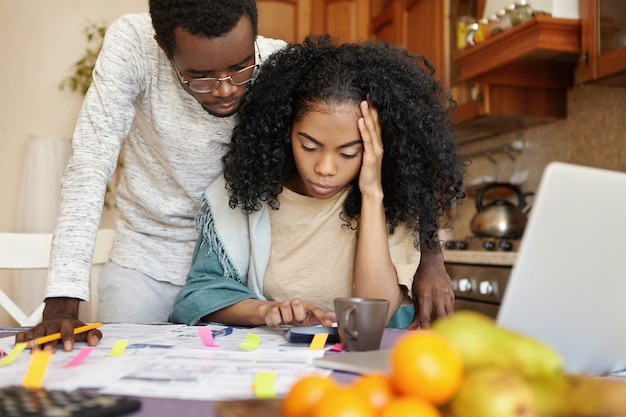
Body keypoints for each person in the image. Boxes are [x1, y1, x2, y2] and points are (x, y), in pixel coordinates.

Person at [15, 0, 286, 351]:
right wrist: (62, 303)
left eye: (240, 67)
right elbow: (89, 165)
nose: (225, 89)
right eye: (200, 75)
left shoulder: (278, 63)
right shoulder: (135, 44)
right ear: (162, 45)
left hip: (235, 275)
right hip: (143, 264)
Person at [169, 35, 465, 327]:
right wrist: (267, 311)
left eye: (348, 153)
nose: (325, 168)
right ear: (286, 130)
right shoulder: (242, 194)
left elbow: (370, 319)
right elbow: (199, 295)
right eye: (309, 146)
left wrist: (372, 193)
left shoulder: (394, 199)